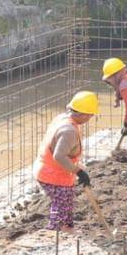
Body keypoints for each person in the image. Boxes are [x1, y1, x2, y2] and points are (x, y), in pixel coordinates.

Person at [33, 91, 98, 230]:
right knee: (61, 205)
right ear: (83, 114)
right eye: (90, 114)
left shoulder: (63, 118)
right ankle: (54, 234)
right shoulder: (68, 131)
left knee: (66, 201)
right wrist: (78, 171)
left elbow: (59, 148)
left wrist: (76, 165)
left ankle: (67, 228)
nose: (91, 117)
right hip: (52, 174)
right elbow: (59, 156)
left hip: (50, 169)